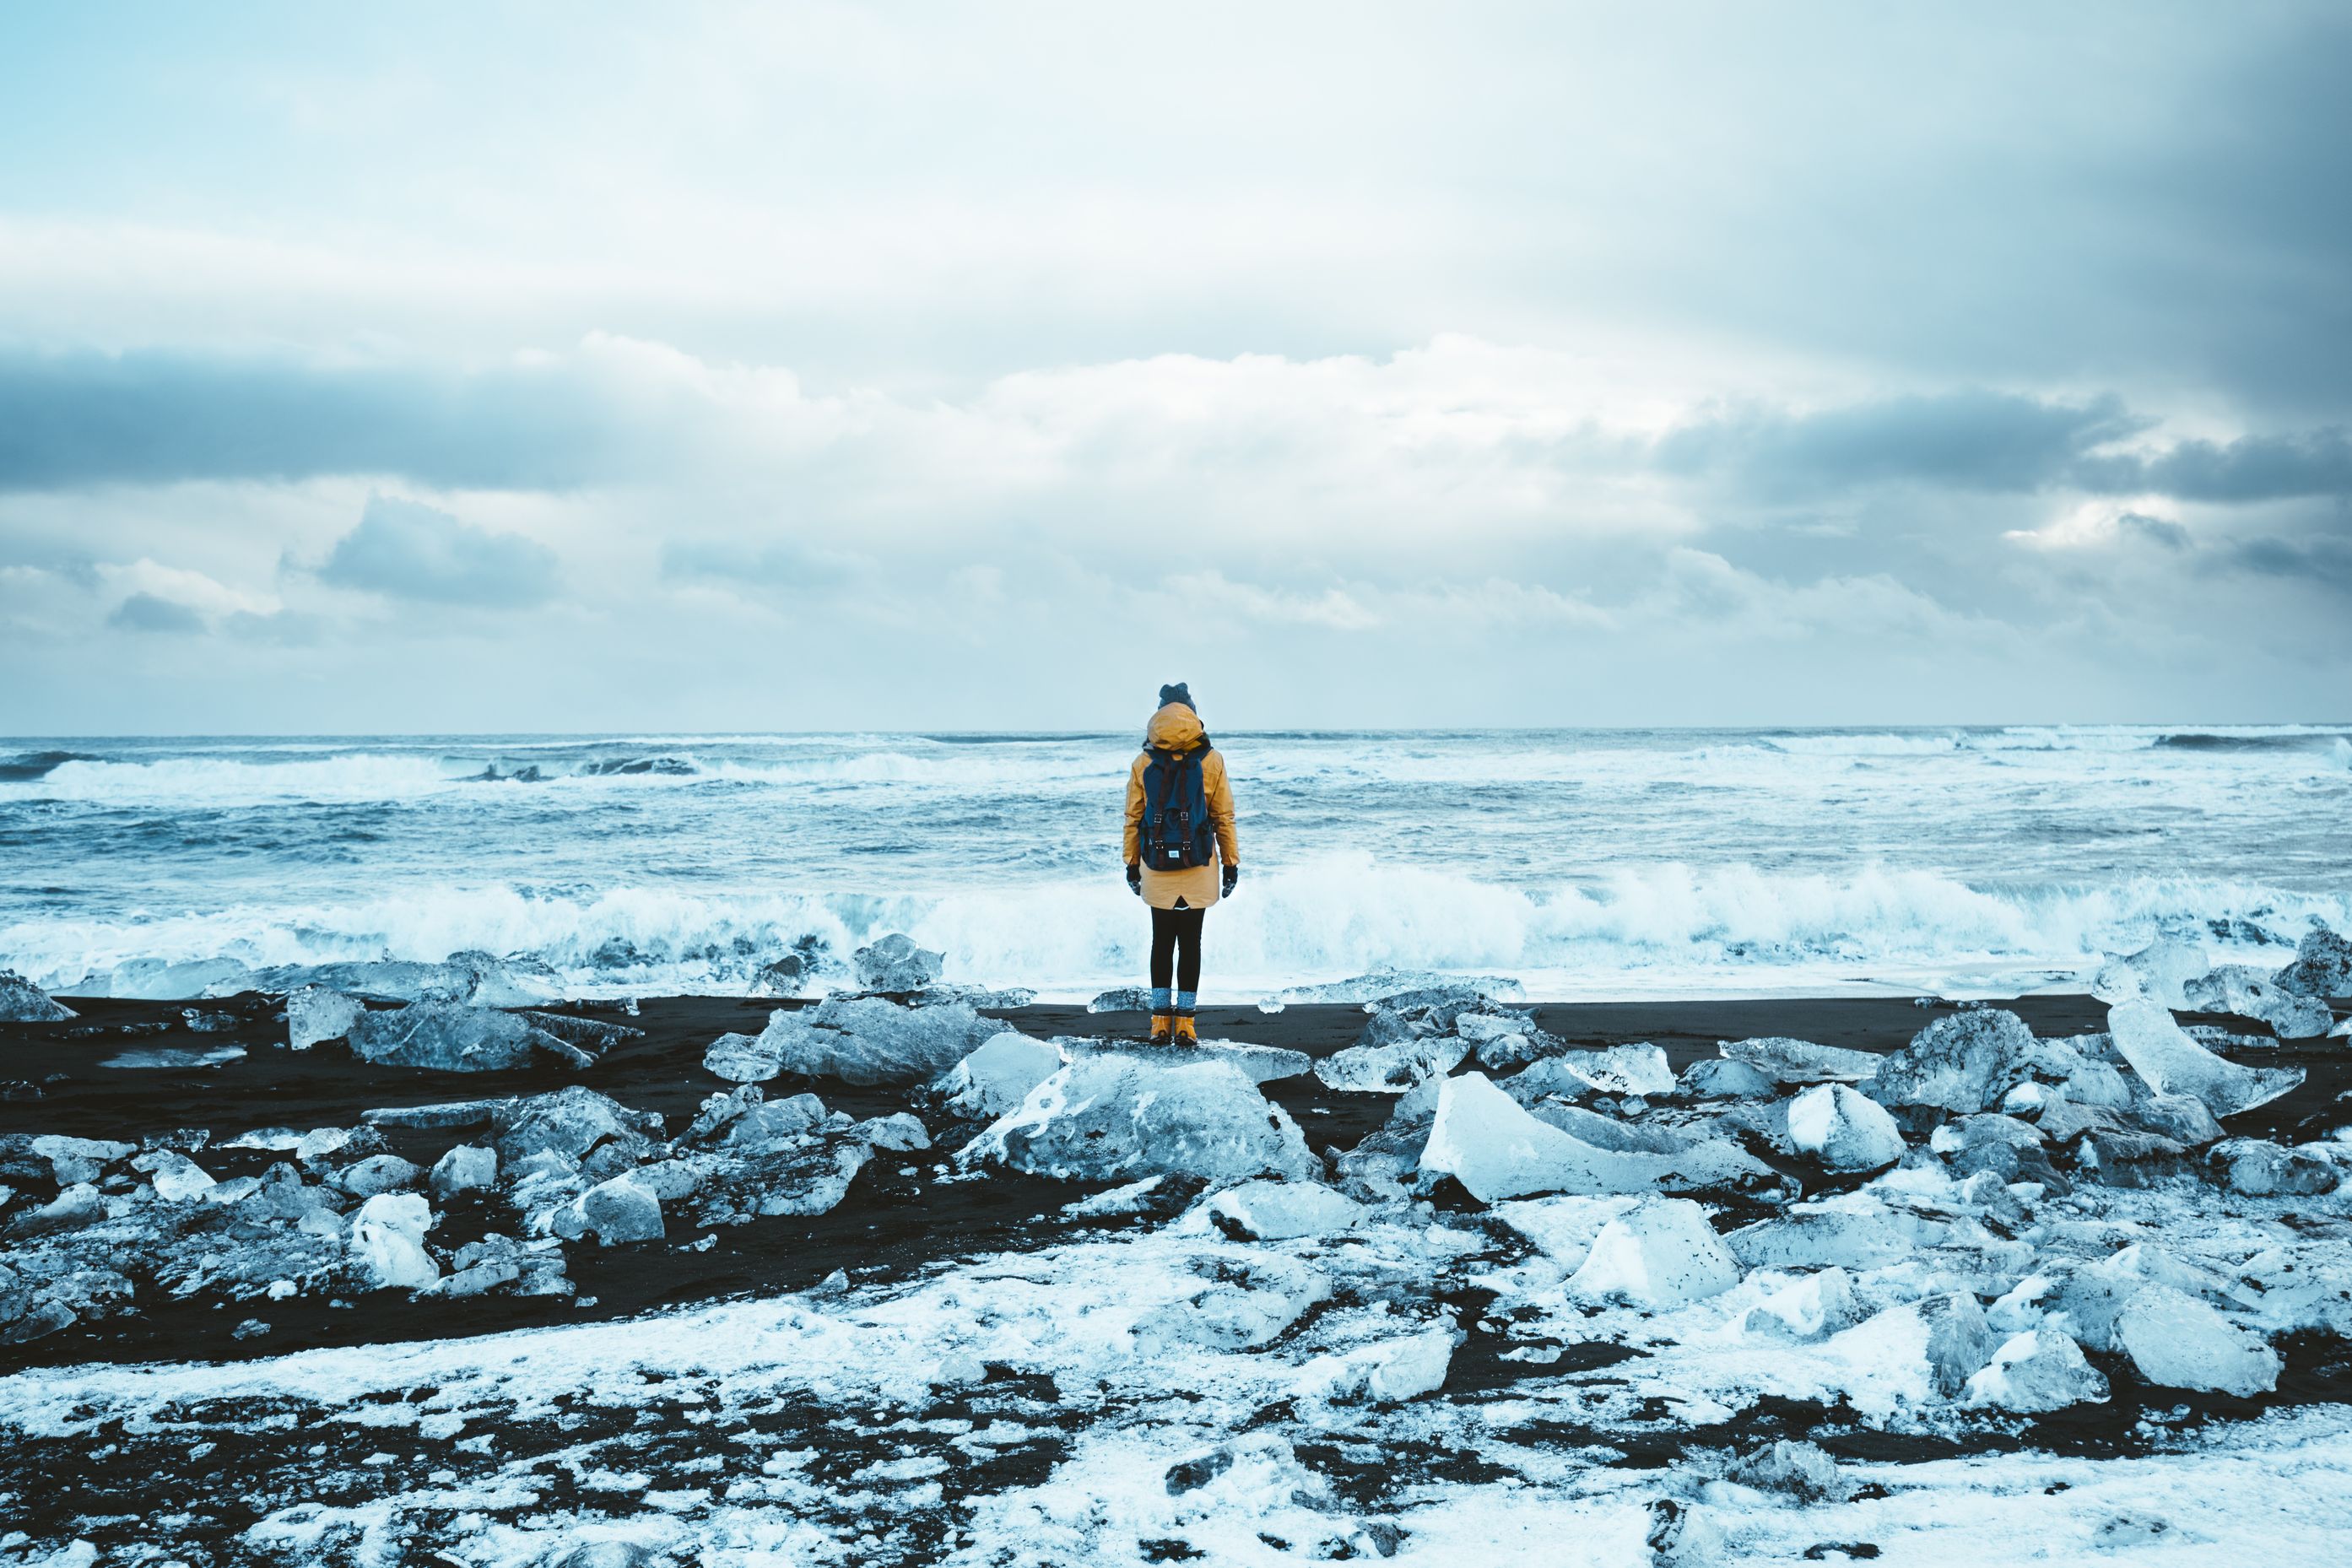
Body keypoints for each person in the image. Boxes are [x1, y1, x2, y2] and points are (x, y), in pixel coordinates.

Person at [1122, 681, 1240, 1042]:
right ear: (1191, 712)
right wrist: (1231, 863)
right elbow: (1223, 817)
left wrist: (1131, 863)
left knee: (1161, 941)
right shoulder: (1213, 759)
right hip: (1200, 864)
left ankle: (1160, 1023)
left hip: (1156, 863)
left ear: (1158, 715)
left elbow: (1133, 818)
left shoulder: (1143, 761)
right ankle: (1186, 1024)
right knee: (1191, 943)